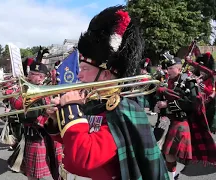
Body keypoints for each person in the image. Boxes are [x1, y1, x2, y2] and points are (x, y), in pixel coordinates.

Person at [45, 6, 168, 180]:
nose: (79, 74)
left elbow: (85, 156)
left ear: (105, 74)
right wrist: (57, 120)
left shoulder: (121, 109)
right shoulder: (94, 102)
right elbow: (74, 142)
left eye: (85, 69)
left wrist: (70, 108)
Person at [155, 53, 216, 179]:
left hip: (180, 121)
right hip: (165, 121)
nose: (168, 71)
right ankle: (172, 175)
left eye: (171, 68)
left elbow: (193, 103)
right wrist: (157, 107)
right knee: (164, 153)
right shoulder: (167, 82)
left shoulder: (188, 82)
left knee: (171, 153)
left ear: (179, 69)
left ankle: (173, 176)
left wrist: (167, 104)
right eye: (168, 68)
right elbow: (161, 99)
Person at [6, 60, 62, 180]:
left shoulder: (47, 89)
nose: (30, 76)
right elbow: (18, 107)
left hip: (50, 134)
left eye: (36, 74)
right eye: (31, 73)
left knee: (56, 168)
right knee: (33, 174)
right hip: (35, 135)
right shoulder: (23, 89)